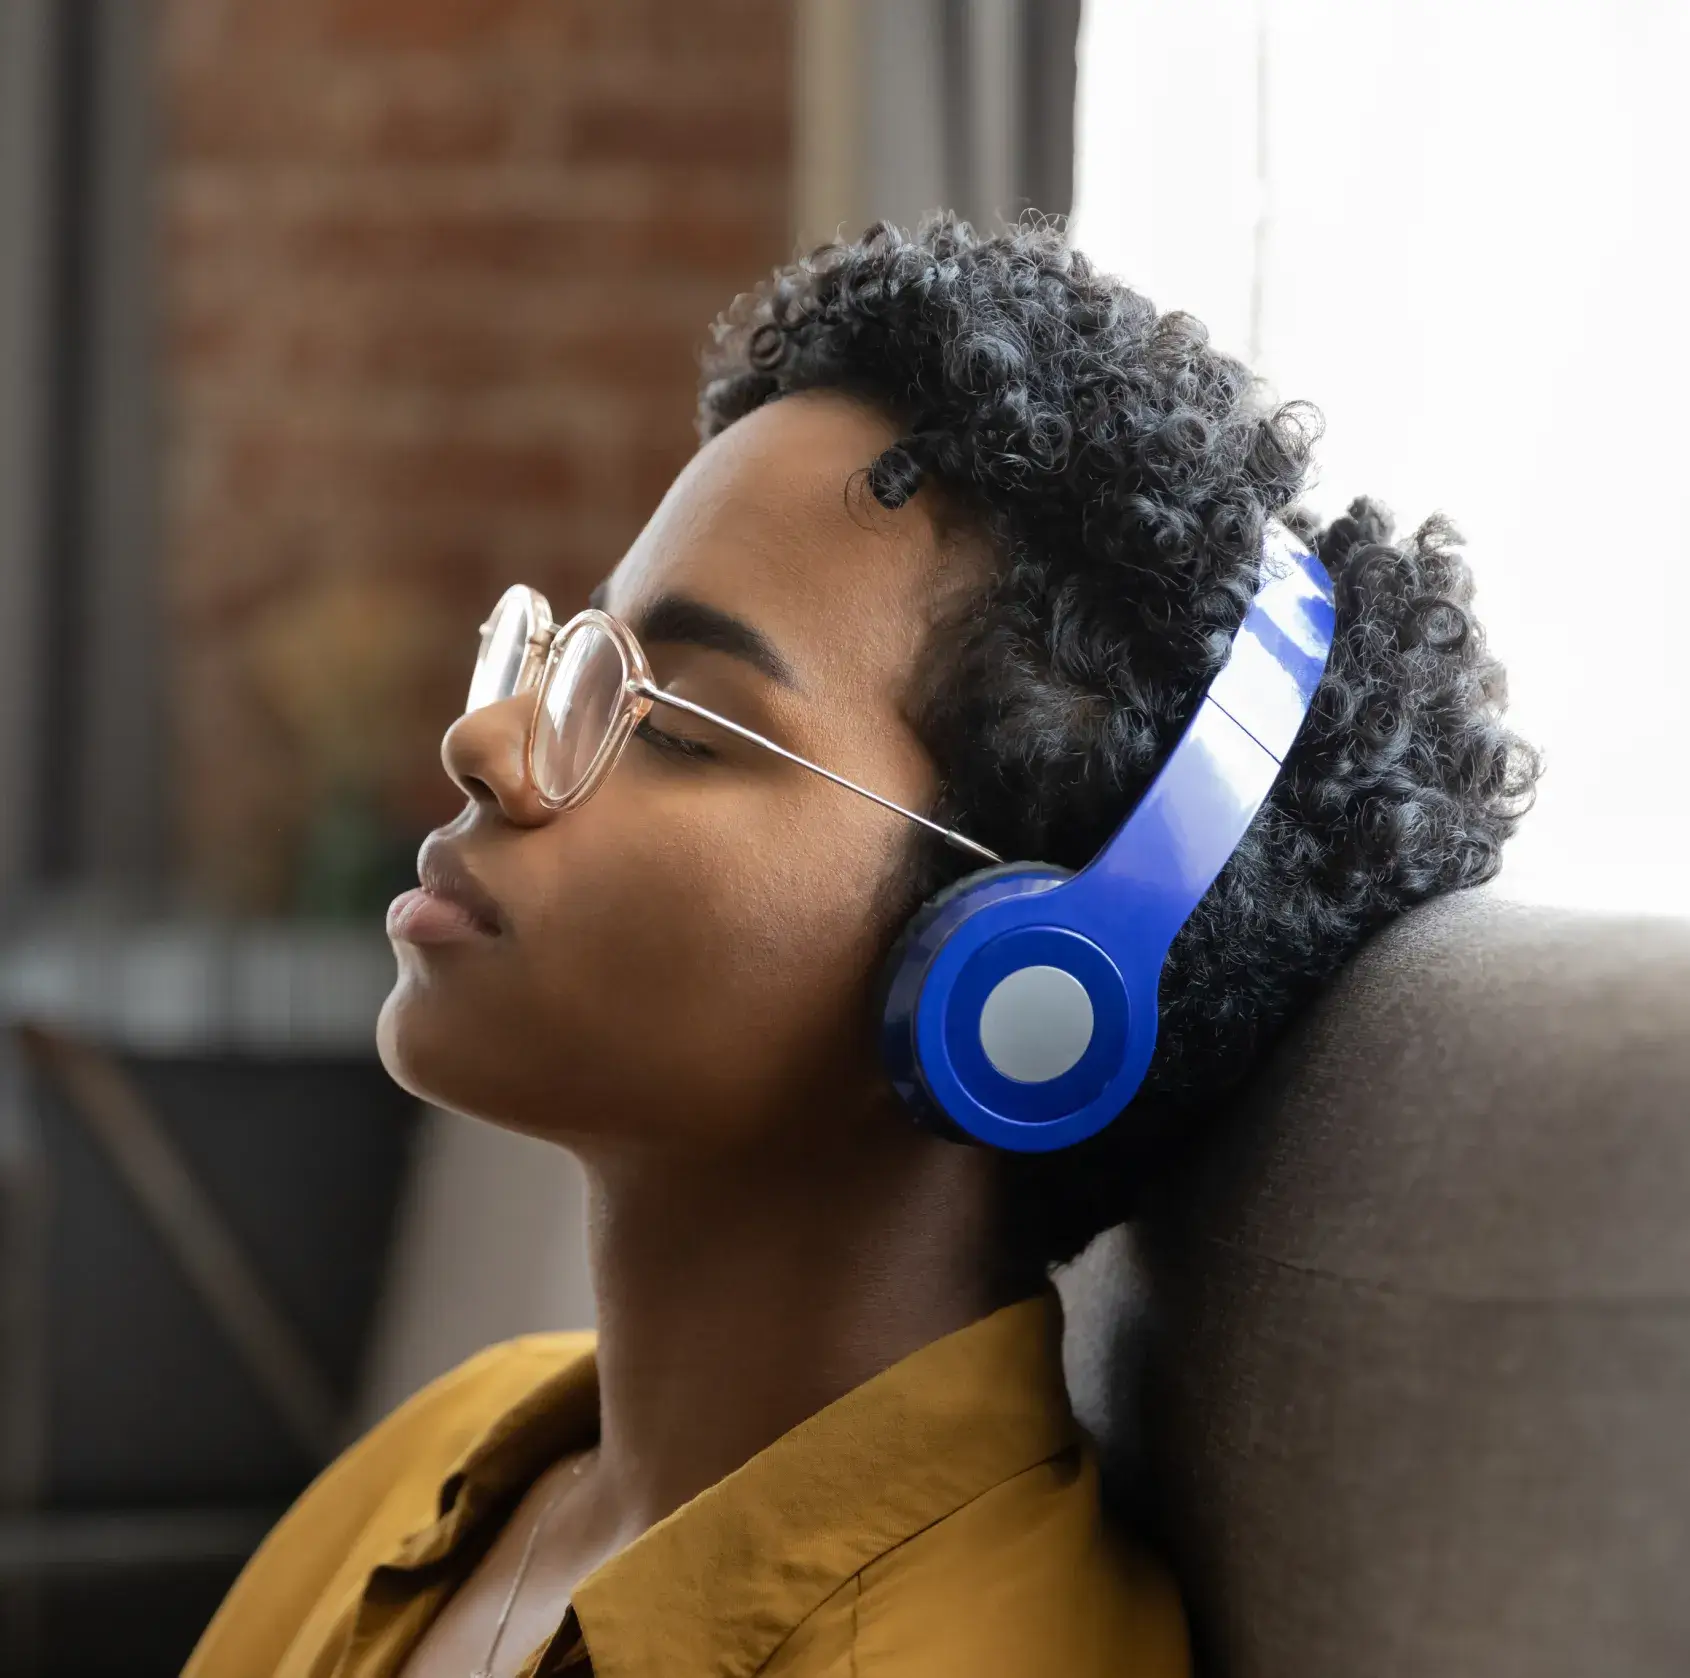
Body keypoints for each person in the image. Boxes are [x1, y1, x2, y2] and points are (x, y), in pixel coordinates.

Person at [184, 215, 1539, 1678]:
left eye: (680, 725)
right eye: (577, 656)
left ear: (1016, 997)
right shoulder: (458, 1454)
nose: (487, 740)